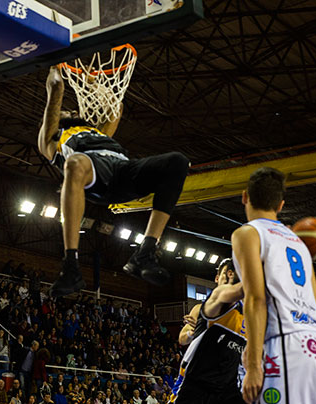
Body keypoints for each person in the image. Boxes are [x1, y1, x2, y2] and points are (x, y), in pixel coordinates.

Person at [38, 66, 189, 297]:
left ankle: (145, 252)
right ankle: (71, 265)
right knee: (75, 163)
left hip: (122, 169)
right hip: (93, 174)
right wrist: (56, 73)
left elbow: (115, 107)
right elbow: (55, 96)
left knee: (177, 161)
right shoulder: (52, 139)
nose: (70, 110)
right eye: (65, 111)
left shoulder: (98, 132)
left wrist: (92, 83)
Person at [232, 167, 316, 404]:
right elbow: (313, 300)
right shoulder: (297, 240)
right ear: (281, 204)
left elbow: (256, 298)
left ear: (245, 196)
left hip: (284, 346)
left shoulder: (248, 234)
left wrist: (253, 364)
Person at [168, 259, 245, 404]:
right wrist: (193, 331)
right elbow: (182, 339)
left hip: (225, 386)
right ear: (217, 278)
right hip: (196, 382)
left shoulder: (248, 315)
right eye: (226, 274)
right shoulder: (203, 307)